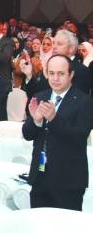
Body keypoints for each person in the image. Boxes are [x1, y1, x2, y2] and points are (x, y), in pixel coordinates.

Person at [23, 54, 93, 211]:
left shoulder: (84, 101)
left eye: (61, 74)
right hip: (40, 176)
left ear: (71, 75)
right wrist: (37, 121)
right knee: (38, 227)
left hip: (68, 180)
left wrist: (54, 119)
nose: (55, 78)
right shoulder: (40, 96)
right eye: (52, 73)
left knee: (65, 231)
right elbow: (27, 134)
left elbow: (79, 136)